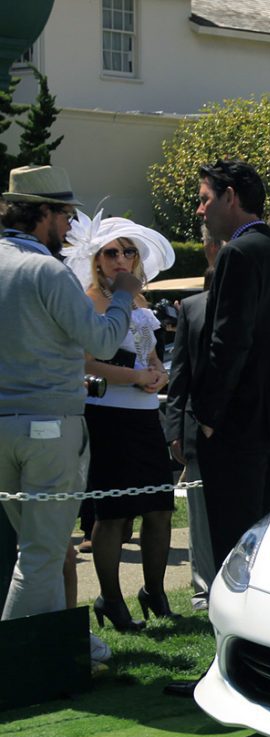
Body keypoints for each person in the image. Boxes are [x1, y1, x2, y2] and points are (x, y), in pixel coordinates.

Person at [1, 166, 136, 644]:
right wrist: (122, 296)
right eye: (65, 216)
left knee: (37, 548)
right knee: (41, 554)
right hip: (50, 427)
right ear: (43, 215)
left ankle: (69, 645)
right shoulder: (46, 270)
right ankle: (16, 661)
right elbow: (100, 341)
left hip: (7, 429)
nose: (70, 227)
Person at [190, 159, 270, 568]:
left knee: (236, 549)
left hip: (239, 426)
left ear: (230, 197)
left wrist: (207, 415)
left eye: (204, 199)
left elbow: (229, 342)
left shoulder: (239, 254)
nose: (200, 210)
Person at [63, 211, 177, 630]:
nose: (121, 259)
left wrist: (159, 374)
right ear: (96, 259)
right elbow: (85, 360)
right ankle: (111, 599)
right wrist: (135, 376)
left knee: (160, 508)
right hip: (107, 416)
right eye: (111, 252)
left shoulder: (142, 304)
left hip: (146, 415)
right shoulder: (88, 300)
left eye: (129, 251)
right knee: (113, 514)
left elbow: (150, 354)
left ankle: (155, 591)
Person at [164, 225, 223, 613]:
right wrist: (175, 429)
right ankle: (204, 589)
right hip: (196, 426)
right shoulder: (194, 308)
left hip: (244, 426)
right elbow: (180, 374)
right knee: (199, 516)